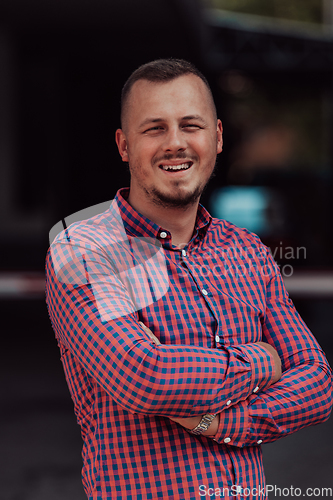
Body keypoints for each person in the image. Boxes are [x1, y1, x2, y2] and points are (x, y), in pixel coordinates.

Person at [46, 59, 332, 500]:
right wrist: (263, 361)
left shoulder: (248, 251)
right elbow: (146, 376)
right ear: (124, 145)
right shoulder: (83, 251)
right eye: (154, 128)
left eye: (190, 125)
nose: (175, 143)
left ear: (216, 137)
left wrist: (220, 422)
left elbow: (317, 383)